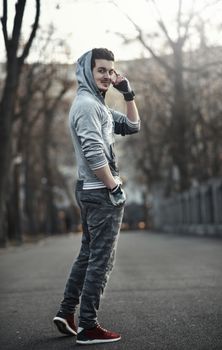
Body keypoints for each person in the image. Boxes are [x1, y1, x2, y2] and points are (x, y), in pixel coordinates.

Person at [53, 48, 140, 345]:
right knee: (101, 260)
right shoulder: (88, 106)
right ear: (87, 71)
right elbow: (92, 152)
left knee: (88, 255)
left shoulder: (97, 106)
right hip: (100, 193)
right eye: (100, 70)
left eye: (110, 71)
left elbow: (132, 126)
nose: (106, 75)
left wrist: (128, 94)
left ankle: (67, 313)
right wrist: (114, 186)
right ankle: (88, 326)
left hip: (90, 190)